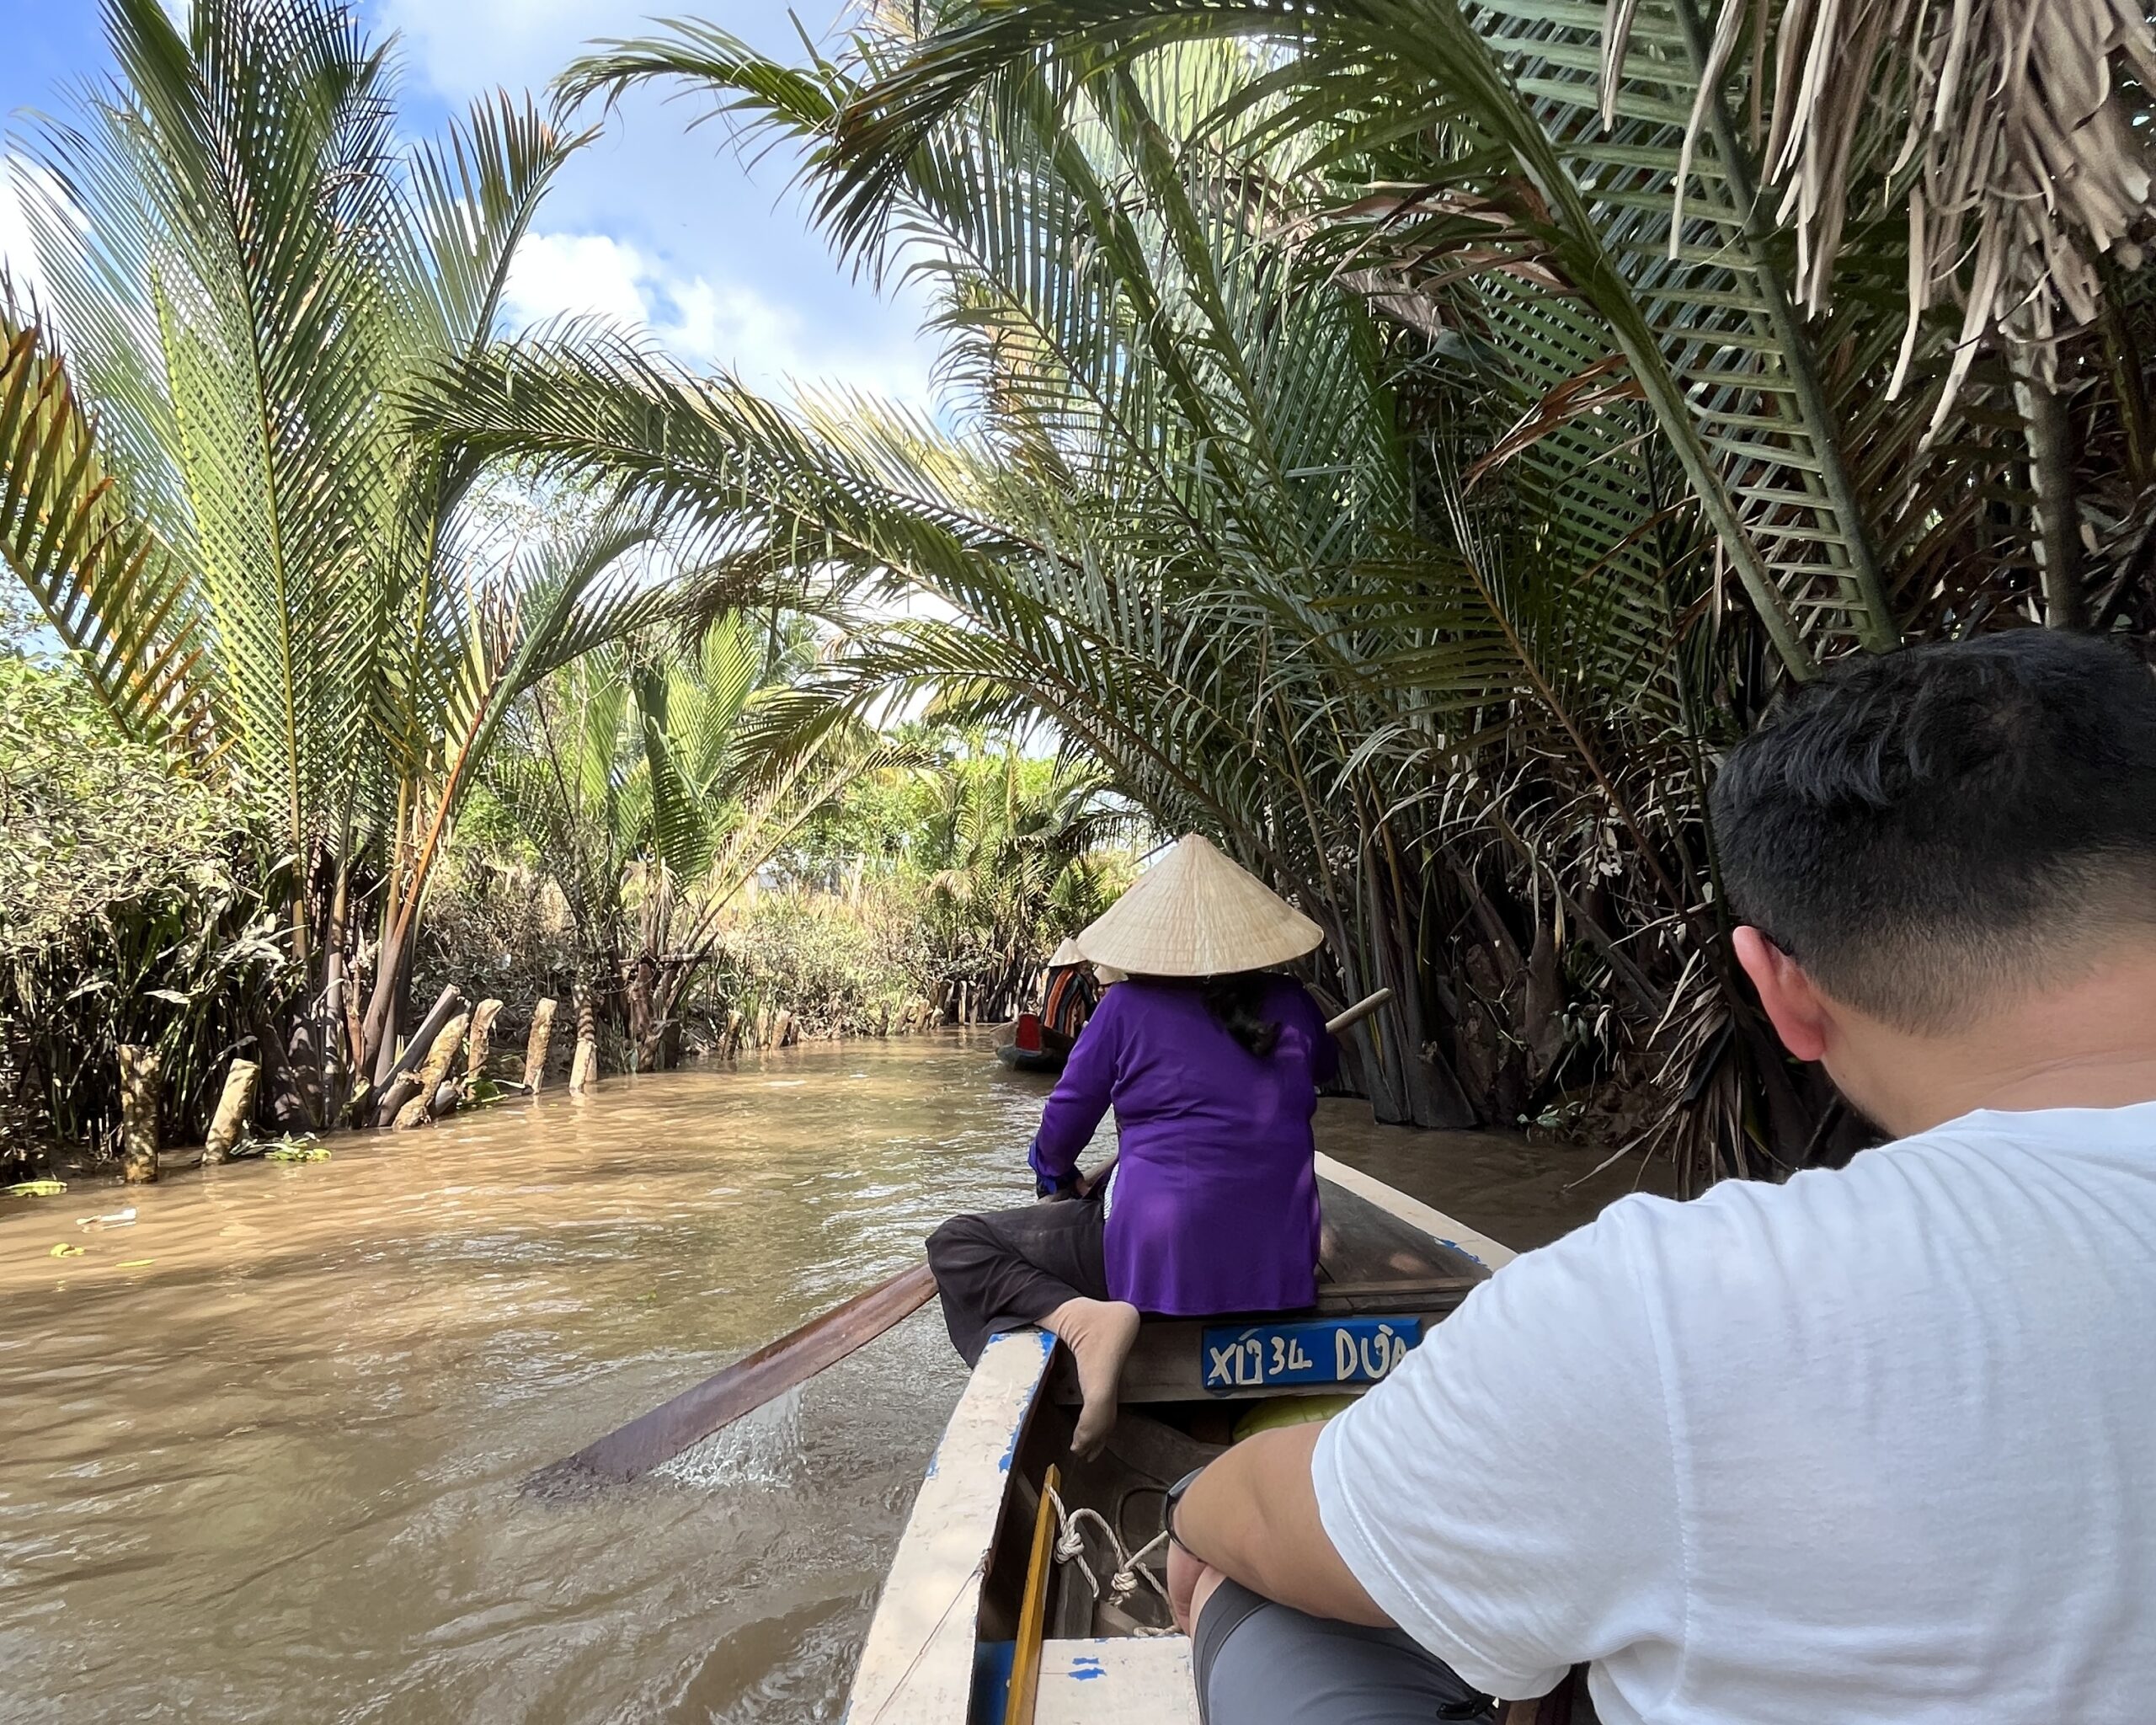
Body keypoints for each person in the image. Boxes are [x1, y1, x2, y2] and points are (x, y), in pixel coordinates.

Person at [1163, 632, 2156, 1725]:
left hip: (1198, 1258)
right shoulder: (1298, 1019)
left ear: (1781, 993)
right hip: (1281, 1232)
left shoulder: (1666, 1302)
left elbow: (1271, 1520)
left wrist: (1183, 1497)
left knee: (1260, 1583)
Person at [926, 834, 1339, 1456]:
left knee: (957, 1242)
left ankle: (1082, 1319)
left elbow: (1062, 1129)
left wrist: (1055, 1181)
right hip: (1282, 1259)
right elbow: (1323, 1072)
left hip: (1161, 1254)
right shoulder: (1294, 1004)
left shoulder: (1123, 1008)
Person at [1038, 937, 1101, 1053]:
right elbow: (1090, 1005)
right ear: (1075, 963)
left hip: (1045, 1026)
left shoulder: (1051, 975)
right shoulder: (1077, 979)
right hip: (1064, 1033)